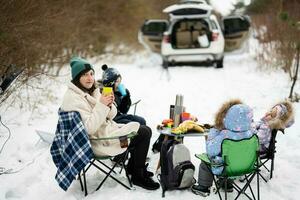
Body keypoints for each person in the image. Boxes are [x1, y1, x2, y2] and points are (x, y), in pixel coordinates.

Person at [60, 57, 159, 190]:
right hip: (99, 142)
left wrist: (109, 104)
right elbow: (88, 129)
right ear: (77, 77)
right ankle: (137, 175)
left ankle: (134, 169)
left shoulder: (92, 91)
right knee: (143, 132)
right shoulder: (73, 99)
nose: (90, 78)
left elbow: (111, 116)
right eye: (84, 75)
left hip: (107, 133)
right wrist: (101, 105)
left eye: (91, 74)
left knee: (141, 129)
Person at [191, 99, 254, 197]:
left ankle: (203, 187)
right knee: (232, 158)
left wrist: (214, 132)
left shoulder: (225, 135)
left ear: (228, 118)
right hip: (246, 167)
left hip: (226, 169)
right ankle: (227, 184)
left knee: (206, 162)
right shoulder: (251, 135)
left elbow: (210, 151)